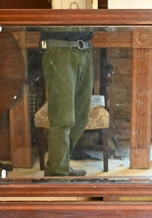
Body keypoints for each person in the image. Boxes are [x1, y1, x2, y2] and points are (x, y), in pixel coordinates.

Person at [40, 27, 94, 176]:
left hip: (86, 48)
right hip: (60, 49)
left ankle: (60, 165)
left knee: (81, 114)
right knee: (62, 117)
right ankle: (58, 174)